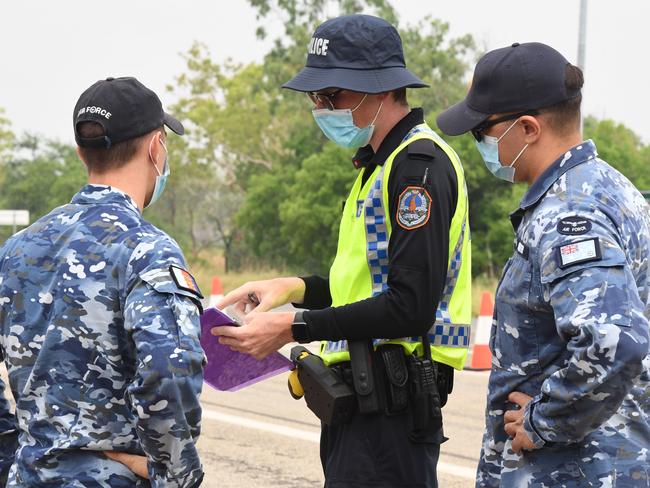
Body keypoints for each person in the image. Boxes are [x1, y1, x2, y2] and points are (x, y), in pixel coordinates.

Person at [215, 14, 471, 488]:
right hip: (358, 406)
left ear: (377, 89)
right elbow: (364, 284)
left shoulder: (418, 167)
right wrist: (291, 289)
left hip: (392, 411)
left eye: (330, 96)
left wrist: (294, 326)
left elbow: (409, 306)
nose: (319, 107)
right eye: (315, 97)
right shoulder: (378, 166)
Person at [437, 42, 650, 487]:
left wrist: (543, 421)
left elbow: (615, 341)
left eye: (483, 132)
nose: (481, 144)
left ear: (528, 128)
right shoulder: (611, 189)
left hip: (573, 470)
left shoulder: (569, 214)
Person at [0, 77, 205, 487]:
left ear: (81, 153)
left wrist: (9, 453)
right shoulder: (147, 250)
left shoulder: (16, 249)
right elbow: (167, 370)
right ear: (156, 147)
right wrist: (175, 475)